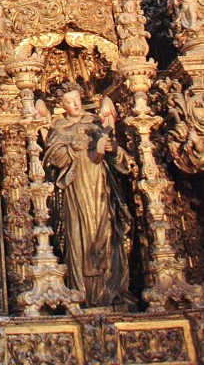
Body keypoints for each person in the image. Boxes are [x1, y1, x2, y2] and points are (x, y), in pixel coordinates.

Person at [42, 83, 133, 307]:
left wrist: (112, 149)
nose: (75, 105)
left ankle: (110, 290)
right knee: (78, 232)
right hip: (75, 188)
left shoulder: (94, 123)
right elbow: (51, 159)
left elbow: (121, 159)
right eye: (69, 102)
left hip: (101, 184)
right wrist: (74, 148)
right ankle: (80, 291)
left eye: (77, 100)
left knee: (105, 231)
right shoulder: (59, 127)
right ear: (61, 106)